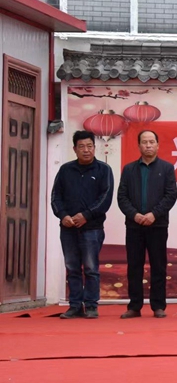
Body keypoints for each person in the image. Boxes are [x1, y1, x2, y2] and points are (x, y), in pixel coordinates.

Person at [50, 130, 114, 319]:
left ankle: (91, 305)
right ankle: (75, 305)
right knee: (72, 268)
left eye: (89, 146)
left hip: (92, 228)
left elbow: (106, 199)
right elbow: (55, 197)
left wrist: (86, 215)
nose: (86, 150)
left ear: (94, 147)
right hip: (68, 228)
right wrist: (63, 215)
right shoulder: (65, 170)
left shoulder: (103, 170)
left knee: (91, 268)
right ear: (75, 149)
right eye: (82, 147)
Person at [116, 130, 177, 318]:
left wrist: (154, 214)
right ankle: (134, 306)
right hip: (134, 226)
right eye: (144, 142)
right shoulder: (129, 169)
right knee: (134, 266)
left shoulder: (167, 168)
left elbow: (171, 196)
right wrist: (135, 215)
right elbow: (122, 197)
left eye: (152, 142)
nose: (148, 145)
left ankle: (158, 306)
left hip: (157, 225)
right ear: (139, 146)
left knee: (159, 266)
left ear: (158, 145)